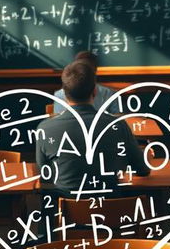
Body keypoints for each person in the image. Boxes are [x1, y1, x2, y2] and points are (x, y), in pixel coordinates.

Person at [38, 60, 149, 198]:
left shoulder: (45, 128)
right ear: (95, 91)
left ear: (64, 94)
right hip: (113, 209)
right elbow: (143, 170)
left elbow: (44, 174)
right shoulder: (118, 125)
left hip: (66, 212)